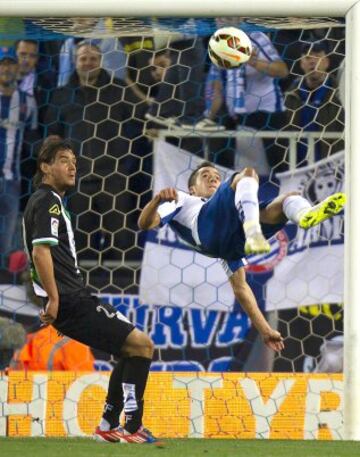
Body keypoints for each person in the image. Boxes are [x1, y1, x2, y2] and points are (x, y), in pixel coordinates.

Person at [22, 139, 159, 444]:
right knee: (142, 345)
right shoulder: (48, 201)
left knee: (130, 348)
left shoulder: (46, 200)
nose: (72, 166)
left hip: (73, 296)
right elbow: (41, 252)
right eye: (62, 160)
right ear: (45, 167)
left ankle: (109, 424)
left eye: (73, 160)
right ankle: (131, 427)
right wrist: (54, 298)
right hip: (70, 299)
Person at [138, 162, 346, 350]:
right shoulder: (182, 199)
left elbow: (241, 288)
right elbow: (145, 224)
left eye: (217, 176)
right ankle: (252, 229)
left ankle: (305, 216)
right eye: (205, 175)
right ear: (192, 188)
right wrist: (156, 201)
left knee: (287, 200)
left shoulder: (228, 210)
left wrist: (265, 331)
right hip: (207, 228)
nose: (213, 178)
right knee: (247, 173)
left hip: (231, 242)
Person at [0, 46, 38, 268]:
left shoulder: (28, 101)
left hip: (13, 180)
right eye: (2, 64)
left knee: (7, 237)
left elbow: (32, 136)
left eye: (10, 64)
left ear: (17, 68)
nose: (6, 68)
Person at [284, 42, 344, 165]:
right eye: (308, 58)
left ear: (326, 62)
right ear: (301, 64)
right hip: (298, 167)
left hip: (330, 167)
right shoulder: (291, 95)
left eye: (317, 56)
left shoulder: (340, 93)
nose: (312, 61)